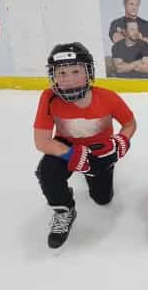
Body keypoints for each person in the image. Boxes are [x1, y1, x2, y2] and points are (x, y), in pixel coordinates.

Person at [33, 42, 136, 249]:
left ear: (89, 72)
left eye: (75, 71)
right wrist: (74, 156)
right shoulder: (49, 97)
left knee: (103, 199)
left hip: (101, 149)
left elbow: (129, 124)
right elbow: (42, 141)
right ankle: (64, 209)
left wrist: (120, 142)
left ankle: (92, 172)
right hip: (66, 146)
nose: (68, 78)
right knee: (47, 171)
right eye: (61, 72)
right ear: (53, 76)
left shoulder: (108, 97)